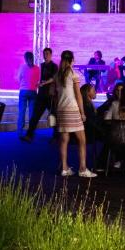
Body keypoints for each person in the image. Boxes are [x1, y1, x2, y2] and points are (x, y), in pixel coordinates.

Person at [52, 50, 95, 178]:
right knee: (82, 140)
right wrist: (82, 113)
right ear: (71, 60)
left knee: (64, 140)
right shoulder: (73, 74)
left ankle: (64, 168)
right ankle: (82, 169)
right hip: (72, 109)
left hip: (61, 110)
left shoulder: (57, 75)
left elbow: (54, 94)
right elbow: (78, 95)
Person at [21, 47, 57, 143]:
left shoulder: (54, 66)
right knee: (35, 116)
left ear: (51, 55)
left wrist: (44, 83)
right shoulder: (41, 65)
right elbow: (40, 78)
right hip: (41, 95)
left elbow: (54, 78)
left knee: (53, 116)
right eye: (44, 54)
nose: (45, 55)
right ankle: (29, 135)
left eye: (47, 54)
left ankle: (56, 137)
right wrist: (39, 83)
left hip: (50, 96)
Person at [15, 51, 41, 137]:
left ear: (25, 59)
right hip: (33, 91)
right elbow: (38, 80)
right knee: (32, 113)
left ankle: (20, 132)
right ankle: (30, 132)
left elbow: (18, 78)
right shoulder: (37, 68)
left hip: (23, 91)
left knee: (22, 112)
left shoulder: (22, 67)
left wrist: (23, 83)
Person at [80, 83, 105, 149]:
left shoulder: (88, 104)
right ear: (87, 93)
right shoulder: (86, 105)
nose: (95, 92)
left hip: (91, 131)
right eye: (93, 91)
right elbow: (91, 121)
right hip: (90, 133)